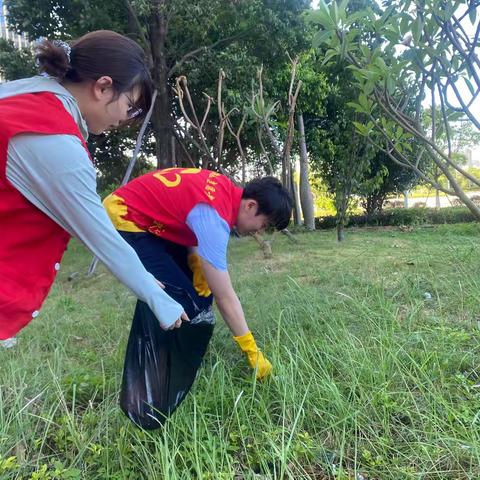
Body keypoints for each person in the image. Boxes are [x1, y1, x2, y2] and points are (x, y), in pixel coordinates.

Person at [0, 30, 188, 343]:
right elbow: (99, 234)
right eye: (132, 106)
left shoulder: (23, 97)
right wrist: (161, 301)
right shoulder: (53, 139)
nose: (128, 120)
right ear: (102, 87)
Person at [103, 167, 292, 426]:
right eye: (265, 224)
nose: (258, 231)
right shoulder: (215, 216)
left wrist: (194, 259)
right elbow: (226, 297)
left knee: (199, 298)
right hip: (127, 218)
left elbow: (187, 214)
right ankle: (148, 392)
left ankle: (180, 363)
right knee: (178, 302)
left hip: (148, 221)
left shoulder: (224, 192)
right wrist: (252, 351)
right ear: (250, 206)